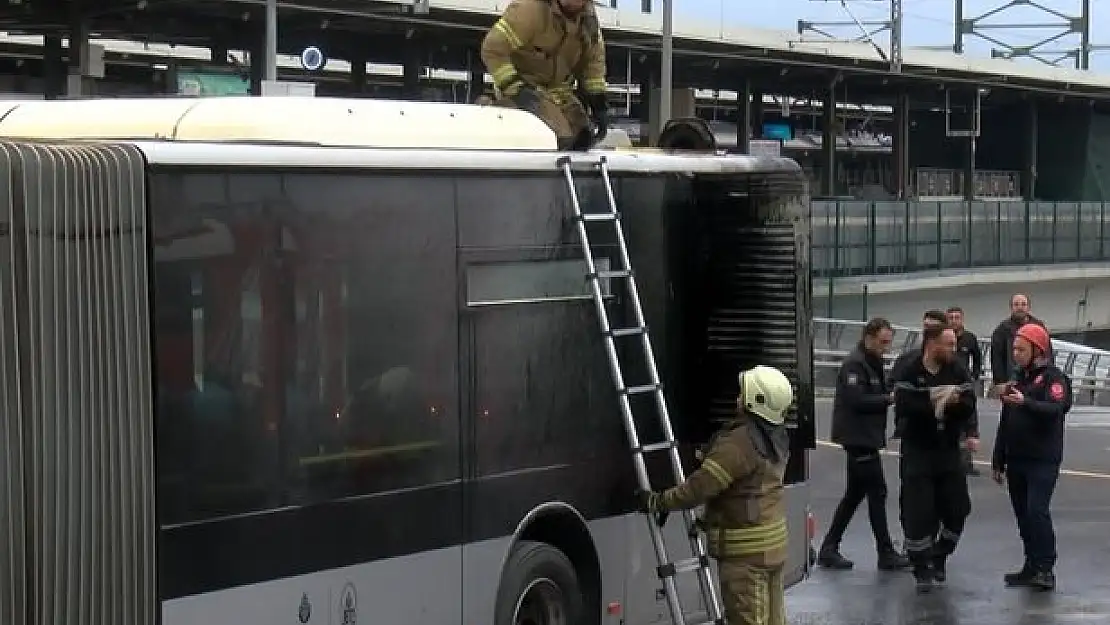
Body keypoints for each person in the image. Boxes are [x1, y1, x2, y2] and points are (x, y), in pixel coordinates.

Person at [641, 365, 795, 625]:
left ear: (753, 401)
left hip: (746, 561)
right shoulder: (776, 437)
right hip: (772, 551)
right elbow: (749, 494)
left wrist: (659, 501)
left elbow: (701, 487)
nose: (736, 398)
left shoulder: (739, 443)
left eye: (741, 393)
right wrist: (709, 520)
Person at [817, 318, 910, 571]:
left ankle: (829, 546)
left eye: (889, 343)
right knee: (876, 492)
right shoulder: (855, 364)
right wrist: (888, 399)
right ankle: (885, 551)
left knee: (855, 494)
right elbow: (856, 400)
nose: (886, 348)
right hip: (857, 439)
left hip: (865, 437)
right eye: (883, 342)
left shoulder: (872, 362)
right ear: (868, 338)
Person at [890, 324, 978, 592]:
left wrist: (950, 404)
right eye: (948, 344)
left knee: (958, 508)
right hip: (918, 450)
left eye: (954, 344)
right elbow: (905, 404)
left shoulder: (957, 369)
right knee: (919, 512)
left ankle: (940, 555)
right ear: (931, 344)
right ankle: (921, 567)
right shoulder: (909, 369)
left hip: (949, 450)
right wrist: (937, 400)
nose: (953, 349)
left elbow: (968, 402)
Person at [992, 323, 1071, 591]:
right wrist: (997, 458)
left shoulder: (1053, 378)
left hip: (1042, 458)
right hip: (1017, 457)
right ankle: (1031, 565)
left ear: (1037, 350)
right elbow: (1006, 420)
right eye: (1014, 348)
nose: (1015, 353)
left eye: (1021, 349)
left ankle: (1046, 568)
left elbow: (1057, 408)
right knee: (1023, 514)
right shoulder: (1018, 379)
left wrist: (1026, 402)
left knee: (1037, 511)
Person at [479, 0, 610, 150]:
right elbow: (493, 49)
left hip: (560, 94)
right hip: (526, 89)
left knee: (584, 137)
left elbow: (593, 63)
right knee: (560, 137)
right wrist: (515, 89)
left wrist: (599, 104)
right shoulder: (529, 9)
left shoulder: (588, 20)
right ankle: (494, 108)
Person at [889, 309, 949, 440]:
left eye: (933, 328)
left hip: (945, 432)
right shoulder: (907, 359)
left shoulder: (953, 363)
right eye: (926, 327)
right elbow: (893, 388)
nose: (927, 332)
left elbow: (966, 396)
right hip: (912, 431)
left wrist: (971, 432)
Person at [947, 306, 983, 476]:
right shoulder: (944, 338)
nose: (954, 320)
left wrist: (974, 376)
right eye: (951, 317)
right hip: (947, 385)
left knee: (969, 422)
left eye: (957, 317)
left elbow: (977, 358)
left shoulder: (970, 338)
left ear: (962, 319)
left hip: (965, 385)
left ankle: (967, 463)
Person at [989, 293, 1047, 395]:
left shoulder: (1039, 326)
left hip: (1037, 379)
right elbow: (996, 359)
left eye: (1023, 304)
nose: (1020, 307)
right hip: (1013, 381)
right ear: (1011, 307)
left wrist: (1048, 375)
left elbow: (1047, 351)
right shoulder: (1002, 330)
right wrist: (1000, 382)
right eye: (1016, 304)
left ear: (1028, 307)